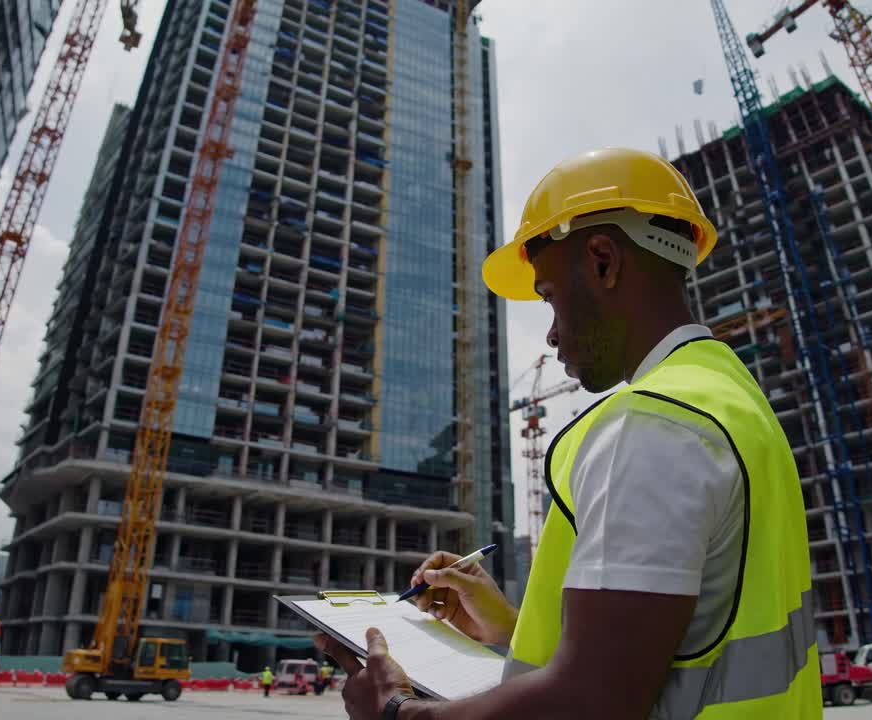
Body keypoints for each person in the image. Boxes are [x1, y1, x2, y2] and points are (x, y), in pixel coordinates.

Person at [316, 147, 821, 719]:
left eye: (550, 297)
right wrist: (513, 627)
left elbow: (591, 702)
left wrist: (396, 710)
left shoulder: (651, 421)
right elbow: (677, 650)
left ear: (604, 261)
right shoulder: (728, 397)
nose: (551, 336)